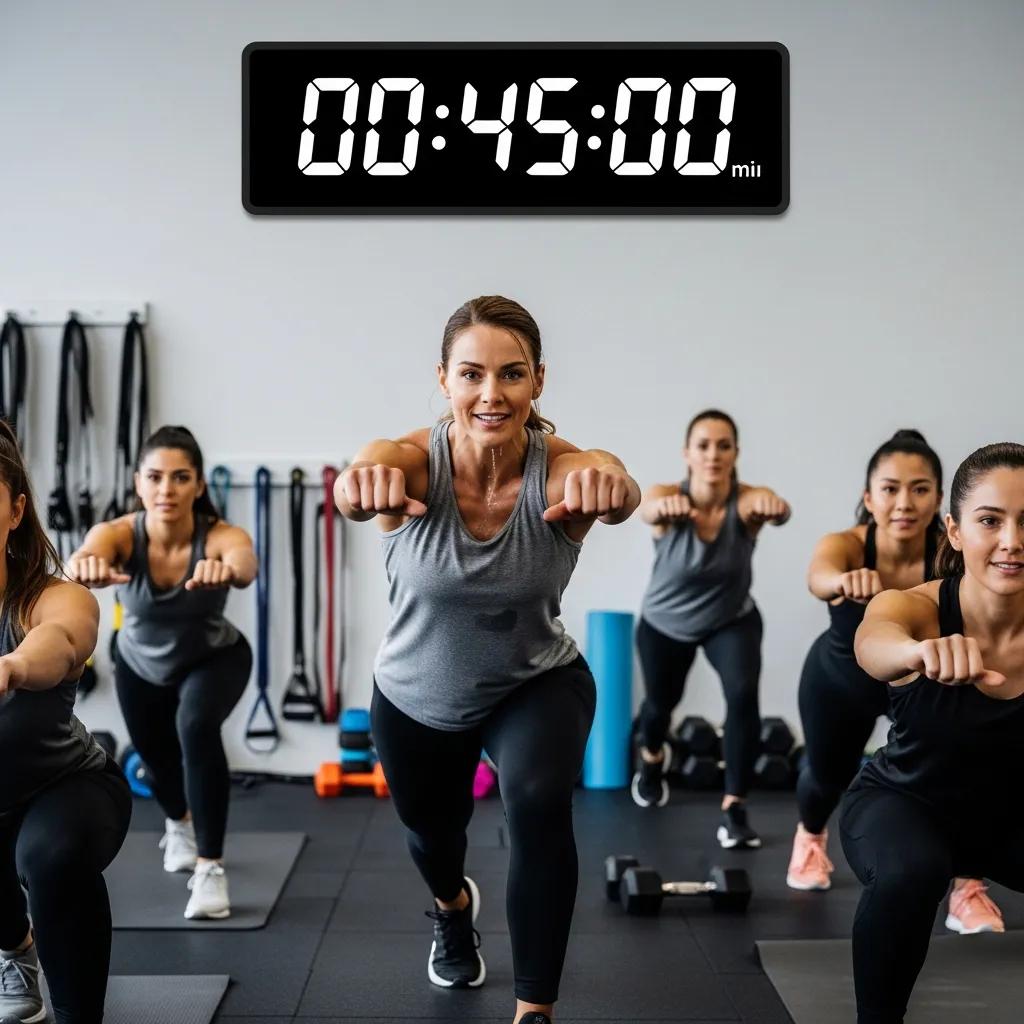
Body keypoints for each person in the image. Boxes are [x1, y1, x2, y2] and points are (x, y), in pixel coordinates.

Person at [335, 295, 640, 1024]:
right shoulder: (411, 464)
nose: (491, 394)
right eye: (472, 374)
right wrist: (357, 483)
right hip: (415, 694)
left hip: (535, 681)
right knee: (432, 838)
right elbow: (372, 466)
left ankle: (534, 1006)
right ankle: (451, 907)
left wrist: (614, 485)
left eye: (511, 375)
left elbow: (607, 477)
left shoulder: (560, 470)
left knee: (537, 803)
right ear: (443, 379)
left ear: (538, 381)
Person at [788, 429, 1002, 930]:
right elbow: (817, 574)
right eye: (890, 489)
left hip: (927, 684)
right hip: (842, 680)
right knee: (826, 773)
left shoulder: (952, 552)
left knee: (967, 770)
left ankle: (967, 885)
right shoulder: (847, 544)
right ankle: (810, 838)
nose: (904, 502)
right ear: (869, 498)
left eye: (920, 488)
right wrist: (842, 581)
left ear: (940, 500)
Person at [844, 441, 1024, 1024]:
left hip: (1008, 819)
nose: (1012, 542)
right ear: (954, 530)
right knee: (910, 873)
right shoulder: (917, 606)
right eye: (991, 521)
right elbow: (873, 643)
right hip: (902, 803)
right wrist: (918, 651)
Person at [67, 426, 256, 921]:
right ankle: (179, 822)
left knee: (194, 728)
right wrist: (84, 565)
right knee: (153, 755)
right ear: (138, 483)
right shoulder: (121, 532)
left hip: (213, 659)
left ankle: (210, 868)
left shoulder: (217, 534)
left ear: (197, 485)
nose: (166, 489)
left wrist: (228, 570)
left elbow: (245, 560)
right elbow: (87, 551)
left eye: (180, 478)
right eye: (155, 477)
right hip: (138, 663)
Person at [0, 418, 132, 1024]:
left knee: (48, 857)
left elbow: (63, 640)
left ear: (15, 510)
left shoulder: (53, 596)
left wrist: (16, 666)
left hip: (70, 789)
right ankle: (16, 951)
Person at [631, 409, 790, 850]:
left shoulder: (745, 501)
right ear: (687, 453)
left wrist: (773, 508)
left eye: (723, 445)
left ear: (736, 452)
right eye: (703, 445)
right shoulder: (669, 496)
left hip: (730, 619)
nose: (713, 454)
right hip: (665, 624)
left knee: (742, 697)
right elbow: (646, 507)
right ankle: (650, 759)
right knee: (661, 705)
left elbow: (772, 503)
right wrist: (659, 508)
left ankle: (734, 807)